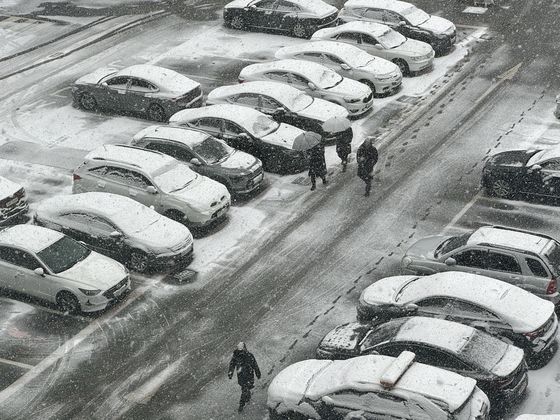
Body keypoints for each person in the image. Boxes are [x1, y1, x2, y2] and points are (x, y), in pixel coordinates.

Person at [228, 342, 261, 413]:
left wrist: (257, 373)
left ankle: (246, 398)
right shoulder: (237, 356)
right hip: (243, 376)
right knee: (245, 389)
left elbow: (254, 364)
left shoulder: (248, 355)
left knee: (246, 388)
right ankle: (241, 404)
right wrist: (230, 373)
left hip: (247, 375)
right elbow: (232, 365)